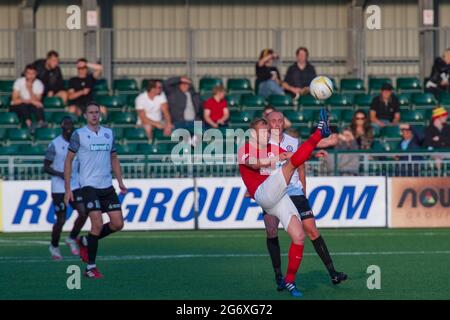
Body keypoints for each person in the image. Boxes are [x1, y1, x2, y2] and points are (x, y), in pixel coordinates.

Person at [238, 108, 330, 297]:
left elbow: (293, 156)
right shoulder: (245, 148)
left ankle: (289, 280)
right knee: (289, 169)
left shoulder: (273, 149)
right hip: (263, 194)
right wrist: (274, 158)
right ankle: (319, 132)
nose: (267, 134)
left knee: (299, 236)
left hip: (278, 197)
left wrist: (314, 154)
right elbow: (255, 164)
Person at [264, 110, 347, 290]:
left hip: (295, 191)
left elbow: (301, 167)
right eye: (273, 121)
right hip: (274, 192)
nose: (277, 124)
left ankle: (333, 273)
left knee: (312, 231)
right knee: (271, 231)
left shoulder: (293, 142)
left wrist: (303, 190)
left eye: (280, 120)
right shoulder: (263, 145)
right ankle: (279, 276)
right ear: (268, 124)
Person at [64, 102, 127, 279]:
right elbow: (68, 160)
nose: (94, 115)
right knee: (97, 224)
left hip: (107, 185)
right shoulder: (79, 135)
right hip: (88, 185)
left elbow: (114, 158)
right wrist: (68, 188)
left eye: (96, 112)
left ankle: (85, 241)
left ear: (100, 114)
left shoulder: (108, 133)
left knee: (117, 224)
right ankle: (90, 268)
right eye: (91, 112)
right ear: (85, 115)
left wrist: (120, 182)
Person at [44, 116, 88, 260]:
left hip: (74, 184)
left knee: (83, 211)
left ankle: (71, 238)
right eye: (66, 127)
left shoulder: (78, 143)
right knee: (61, 220)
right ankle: (54, 246)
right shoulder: (55, 144)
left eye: (71, 127)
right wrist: (59, 174)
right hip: (59, 187)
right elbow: (46, 166)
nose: (69, 130)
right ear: (62, 128)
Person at [10, 64, 45, 130]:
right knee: (23, 105)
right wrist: (28, 101)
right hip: (18, 105)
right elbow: (14, 100)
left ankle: (41, 123)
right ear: (25, 73)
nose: (31, 76)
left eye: (33, 73)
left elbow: (37, 101)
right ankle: (28, 123)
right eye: (28, 73)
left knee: (38, 107)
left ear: (36, 74)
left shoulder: (39, 84)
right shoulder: (19, 82)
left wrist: (30, 89)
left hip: (30, 105)